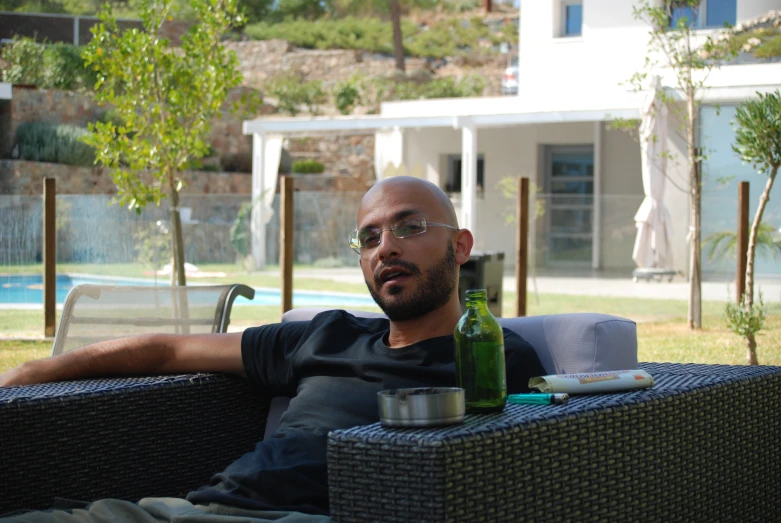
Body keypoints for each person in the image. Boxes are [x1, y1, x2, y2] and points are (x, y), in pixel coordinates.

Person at [0, 176, 545, 523]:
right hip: (189, 508)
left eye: (410, 227)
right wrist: (34, 371)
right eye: (371, 237)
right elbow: (166, 352)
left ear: (462, 245)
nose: (388, 248)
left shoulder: (491, 355)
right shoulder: (324, 334)